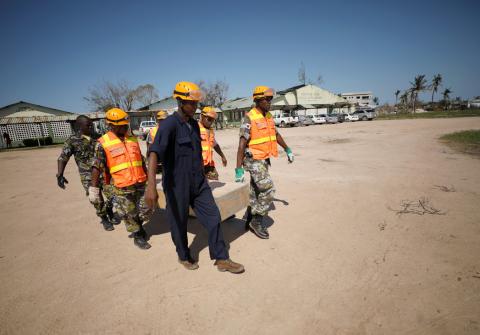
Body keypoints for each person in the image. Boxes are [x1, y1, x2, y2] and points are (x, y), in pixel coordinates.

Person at [145, 81, 244, 273]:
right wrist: (151, 187)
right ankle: (183, 255)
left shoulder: (193, 125)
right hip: (176, 184)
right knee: (179, 221)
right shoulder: (169, 125)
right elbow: (154, 153)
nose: (195, 106)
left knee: (214, 216)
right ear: (181, 102)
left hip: (198, 182)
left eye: (197, 103)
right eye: (192, 103)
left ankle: (221, 258)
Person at [235, 86, 294, 239]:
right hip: (253, 160)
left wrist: (287, 149)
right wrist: (238, 169)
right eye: (266, 99)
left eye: (270, 99)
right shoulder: (249, 117)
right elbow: (242, 143)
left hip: (264, 159)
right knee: (268, 190)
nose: (269, 102)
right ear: (257, 100)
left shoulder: (268, 116)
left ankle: (249, 218)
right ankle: (257, 220)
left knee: (256, 190)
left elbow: (276, 134)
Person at [90, 108, 152, 249]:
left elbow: (140, 160)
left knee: (147, 207)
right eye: (122, 125)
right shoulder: (103, 143)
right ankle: (137, 235)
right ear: (112, 125)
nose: (125, 127)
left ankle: (139, 224)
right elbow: (96, 166)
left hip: (141, 182)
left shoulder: (132, 138)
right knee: (129, 212)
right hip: (121, 185)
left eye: (126, 124)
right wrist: (93, 188)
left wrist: (149, 178)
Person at [57, 115, 116, 231]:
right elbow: (63, 158)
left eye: (91, 124)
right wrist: (60, 174)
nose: (91, 127)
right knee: (96, 199)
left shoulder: (99, 137)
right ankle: (104, 218)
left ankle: (109, 209)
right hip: (87, 175)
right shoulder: (72, 141)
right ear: (79, 126)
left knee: (113, 195)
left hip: (103, 173)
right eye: (88, 125)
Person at [198, 106, 227, 180]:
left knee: (214, 177)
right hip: (198, 164)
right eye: (209, 119)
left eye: (212, 120)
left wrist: (222, 156)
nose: (211, 122)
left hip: (208, 163)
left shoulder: (210, 130)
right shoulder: (196, 128)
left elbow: (215, 145)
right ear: (202, 116)